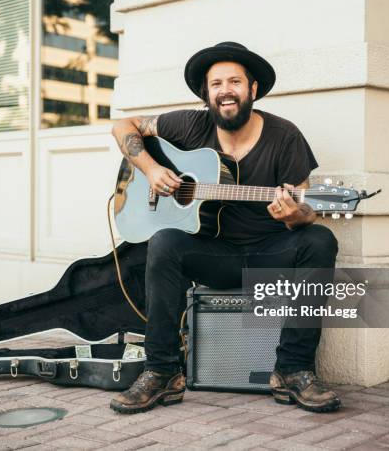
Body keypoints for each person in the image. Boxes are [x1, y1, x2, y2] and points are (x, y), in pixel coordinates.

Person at [110, 42, 340, 414]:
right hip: (212, 254)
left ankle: (293, 370)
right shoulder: (189, 124)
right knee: (165, 242)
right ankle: (162, 371)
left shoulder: (285, 137)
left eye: (235, 81)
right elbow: (123, 126)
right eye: (216, 83)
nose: (225, 90)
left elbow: (306, 209)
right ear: (207, 93)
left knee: (319, 240)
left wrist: (294, 216)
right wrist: (151, 170)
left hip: (269, 254)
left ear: (252, 89)